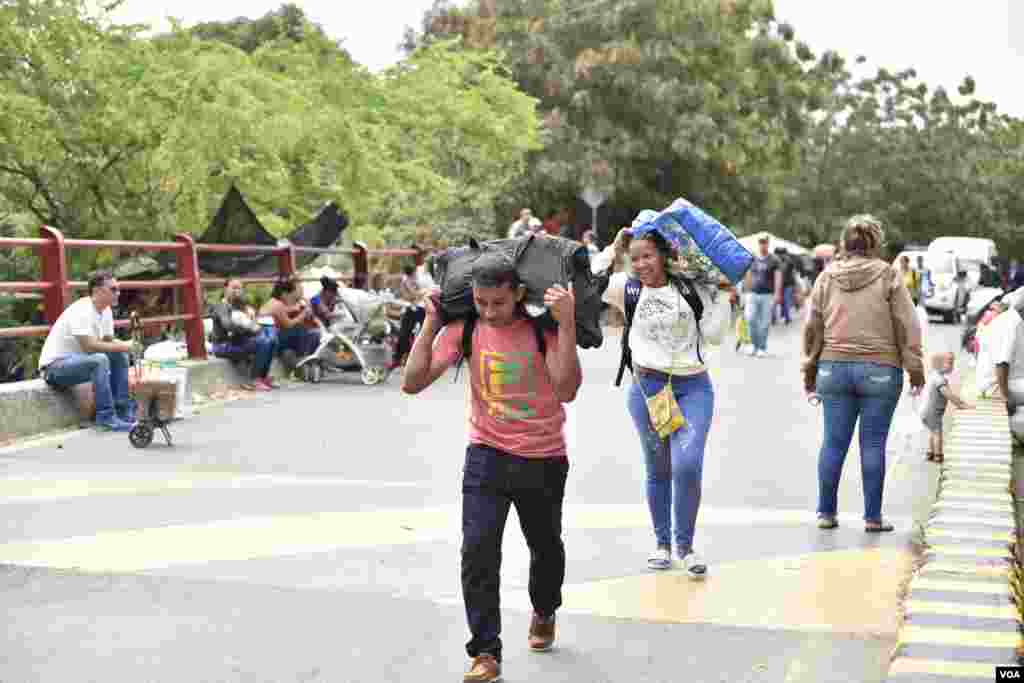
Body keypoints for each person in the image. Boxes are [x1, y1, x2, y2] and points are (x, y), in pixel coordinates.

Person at [401, 253, 581, 683]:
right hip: (487, 453)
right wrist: (432, 323)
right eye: (480, 302)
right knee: (477, 551)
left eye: (498, 302)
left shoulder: (543, 330)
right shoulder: (466, 329)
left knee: (545, 546)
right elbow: (412, 382)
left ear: (518, 294)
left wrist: (568, 321)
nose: (489, 311)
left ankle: (544, 607)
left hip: (542, 457)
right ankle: (485, 650)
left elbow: (567, 389)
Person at [590, 207, 731, 576]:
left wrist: (722, 299)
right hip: (647, 387)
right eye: (634, 258)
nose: (640, 264)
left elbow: (715, 334)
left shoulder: (690, 287)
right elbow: (589, 279)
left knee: (688, 463)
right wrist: (614, 248)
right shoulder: (627, 287)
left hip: (693, 387)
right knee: (659, 467)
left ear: (664, 255)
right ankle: (663, 544)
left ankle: (686, 547)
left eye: (647, 256)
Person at [802, 215, 925, 533]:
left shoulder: (827, 278)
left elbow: (812, 327)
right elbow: (907, 326)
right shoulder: (889, 276)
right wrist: (915, 370)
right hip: (881, 370)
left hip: (834, 368)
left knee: (832, 443)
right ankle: (872, 517)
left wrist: (809, 372)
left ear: (844, 243)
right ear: (875, 244)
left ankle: (826, 513)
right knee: (873, 445)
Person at [38, 270, 138, 432]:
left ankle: (123, 411)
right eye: (113, 289)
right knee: (100, 360)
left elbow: (108, 341)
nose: (118, 293)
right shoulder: (82, 310)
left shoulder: (105, 310)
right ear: (97, 291)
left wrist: (131, 345)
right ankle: (105, 418)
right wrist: (125, 346)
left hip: (79, 362)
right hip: (54, 369)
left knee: (119, 355)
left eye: (118, 289)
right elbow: (89, 346)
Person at [210, 279, 276, 392]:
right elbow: (228, 326)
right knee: (262, 342)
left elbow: (253, 326)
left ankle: (263, 377)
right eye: (233, 287)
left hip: (238, 342)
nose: (236, 291)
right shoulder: (222, 306)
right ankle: (255, 380)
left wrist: (251, 320)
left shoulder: (241, 306)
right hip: (223, 345)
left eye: (239, 288)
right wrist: (247, 325)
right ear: (225, 289)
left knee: (272, 338)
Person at [922, 352, 972, 463]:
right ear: (939, 364)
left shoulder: (933, 375)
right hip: (932, 413)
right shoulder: (939, 380)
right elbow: (949, 395)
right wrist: (961, 404)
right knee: (938, 434)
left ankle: (930, 453)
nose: (952, 366)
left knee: (932, 432)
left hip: (925, 411)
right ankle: (938, 456)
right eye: (950, 363)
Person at [259, 277, 320, 369]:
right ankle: (302, 357)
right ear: (284, 294)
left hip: (270, 337)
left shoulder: (273, 302)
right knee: (299, 329)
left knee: (309, 332)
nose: (290, 296)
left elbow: (285, 312)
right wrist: (303, 314)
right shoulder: (277, 305)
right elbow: (288, 324)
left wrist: (301, 307)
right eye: (289, 294)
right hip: (271, 338)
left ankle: (304, 358)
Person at [744, 235, 782, 357]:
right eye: (761, 242)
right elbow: (748, 274)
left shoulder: (774, 259)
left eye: (765, 242)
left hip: (767, 295)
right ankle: (753, 345)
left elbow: (778, 277)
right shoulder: (753, 257)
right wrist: (745, 291)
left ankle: (761, 347)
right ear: (758, 243)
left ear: (768, 244)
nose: (762, 245)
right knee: (750, 319)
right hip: (752, 293)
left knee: (765, 322)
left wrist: (777, 293)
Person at [390, 264, 427, 369]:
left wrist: (417, 294)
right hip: (412, 309)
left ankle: (401, 357)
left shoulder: (413, 282)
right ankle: (399, 358)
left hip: (418, 308)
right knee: (405, 334)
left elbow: (413, 295)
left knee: (409, 334)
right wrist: (418, 294)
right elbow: (410, 296)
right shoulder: (407, 282)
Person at [776, 247, 797, 325]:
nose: (779, 256)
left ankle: (787, 318)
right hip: (782, 284)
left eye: (780, 254)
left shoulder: (788, 261)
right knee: (783, 301)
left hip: (788, 284)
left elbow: (791, 272)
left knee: (786, 300)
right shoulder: (782, 261)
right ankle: (785, 315)